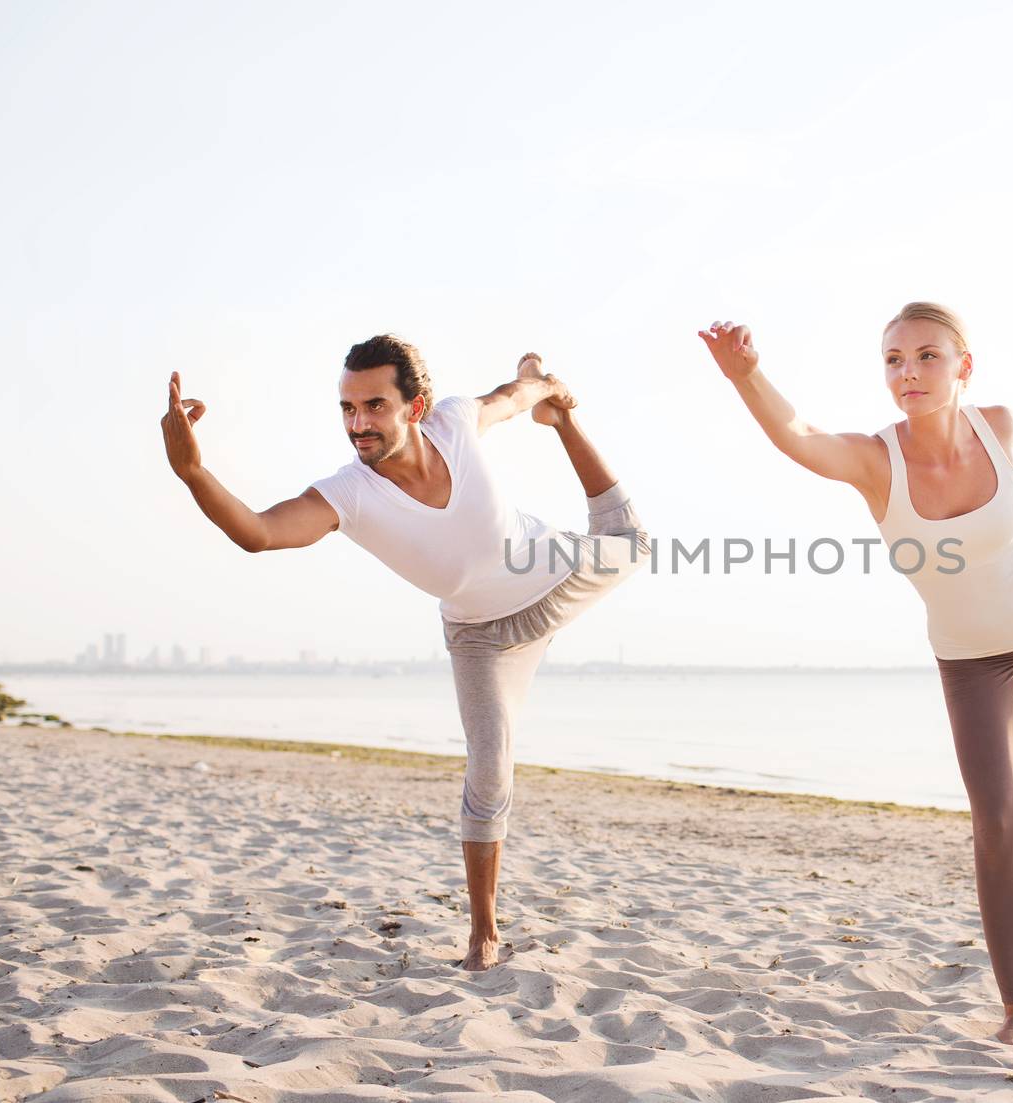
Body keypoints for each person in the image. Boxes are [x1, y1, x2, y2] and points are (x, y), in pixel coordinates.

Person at [697, 303, 1013, 1044]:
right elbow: (801, 435)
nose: (908, 373)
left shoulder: (999, 423)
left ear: (963, 366)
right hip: (973, 655)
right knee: (999, 823)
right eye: (893, 359)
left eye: (926, 356)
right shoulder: (875, 459)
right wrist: (747, 373)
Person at [160, 334, 649, 970]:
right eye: (347, 409)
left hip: (554, 575)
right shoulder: (348, 495)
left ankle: (565, 426)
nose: (358, 424)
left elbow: (510, 396)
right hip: (481, 635)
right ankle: (483, 934)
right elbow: (258, 533)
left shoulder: (453, 421)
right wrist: (194, 472)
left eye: (374, 406)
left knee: (630, 540)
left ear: (414, 408)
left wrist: (547, 391)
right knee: (490, 769)